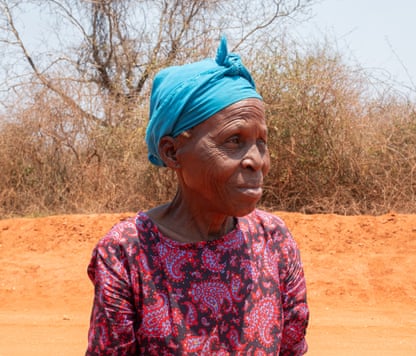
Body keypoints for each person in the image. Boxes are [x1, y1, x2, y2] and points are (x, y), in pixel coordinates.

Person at [86, 36, 309, 355]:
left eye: (261, 141)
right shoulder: (128, 254)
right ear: (172, 152)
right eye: (233, 140)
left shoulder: (274, 241)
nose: (256, 160)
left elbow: (292, 348)